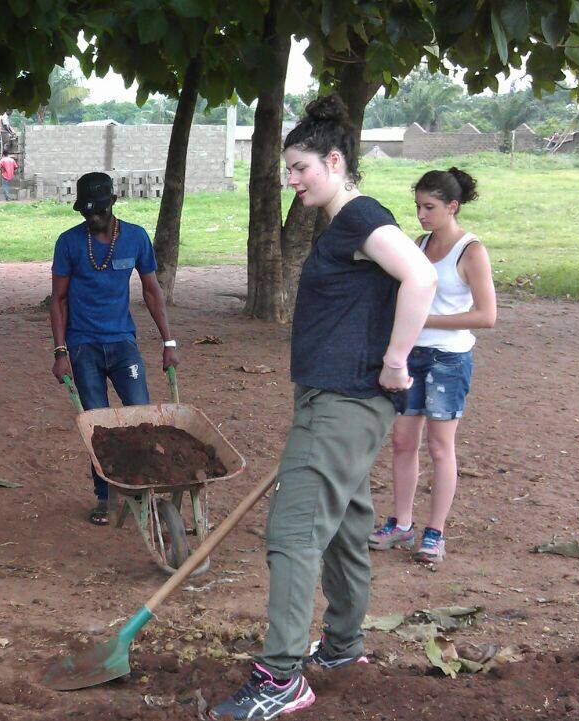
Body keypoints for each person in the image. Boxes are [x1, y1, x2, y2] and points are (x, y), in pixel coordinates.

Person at [209, 96, 437, 720]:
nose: (293, 179)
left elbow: (420, 277)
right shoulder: (346, 223)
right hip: (343, 403)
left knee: (292, 534)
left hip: (342, 402)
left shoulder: (361, 216)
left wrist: (397, 360)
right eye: (289, 169)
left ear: (334, 161)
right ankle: (341, 645)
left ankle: (281, 676)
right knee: (343, 528)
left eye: (300, 167)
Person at [369, 168, 495, 565]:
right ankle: (402, 523)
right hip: (412, 355)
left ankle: (434, 532)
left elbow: (486, 315)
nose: (422, 215)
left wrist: (426, 321)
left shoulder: (471, 250)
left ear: (452, 207)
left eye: (430, 207)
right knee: (404, 442)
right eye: (418, 206)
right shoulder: (418, 245)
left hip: (449, 358)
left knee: (441, 448)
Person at [49, 172, 180, 526]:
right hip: (83, 347)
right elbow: (58, 300)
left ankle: (144, 489)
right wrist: (61, 351)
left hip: (123, 344)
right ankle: (105, 496)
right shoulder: (69, 243)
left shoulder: (135, 237)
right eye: (86, 212)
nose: (92, 218)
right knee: (98, 425)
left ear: (113, 202)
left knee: (141, 418)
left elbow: (152, 291)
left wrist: (168, 342)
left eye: (98, 211)